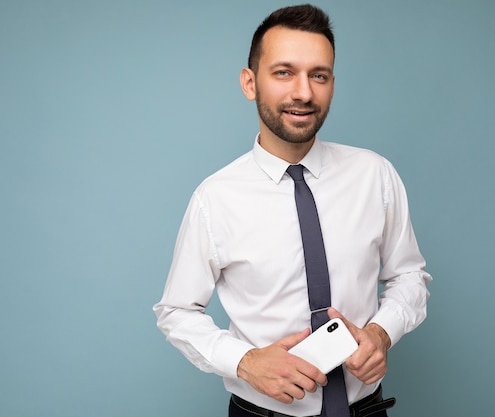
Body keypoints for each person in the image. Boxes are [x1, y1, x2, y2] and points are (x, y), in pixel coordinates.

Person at [154, 4, 431, 417]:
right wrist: (244, 361)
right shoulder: (216, 198)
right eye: (283, 72)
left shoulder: (375, 175)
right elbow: (176, 311)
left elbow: (409, 275)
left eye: (318, 75)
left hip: (366, 409)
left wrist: (381, 332)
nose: (303, 92)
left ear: (332, 84)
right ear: (250, 83)